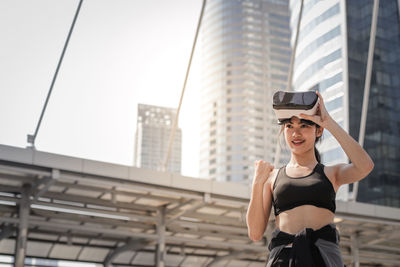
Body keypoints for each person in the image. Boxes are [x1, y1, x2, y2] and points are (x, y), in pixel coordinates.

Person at [246, 91, 374, 267]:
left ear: (318, 130)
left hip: (323, 259)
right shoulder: (272, 177)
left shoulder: (331, 173)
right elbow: (255, 233)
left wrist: (329, 122)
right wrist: (257, 183)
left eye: (304, 126)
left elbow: (365, 166)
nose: (295, 133)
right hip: (283, 259)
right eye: (289, 126)